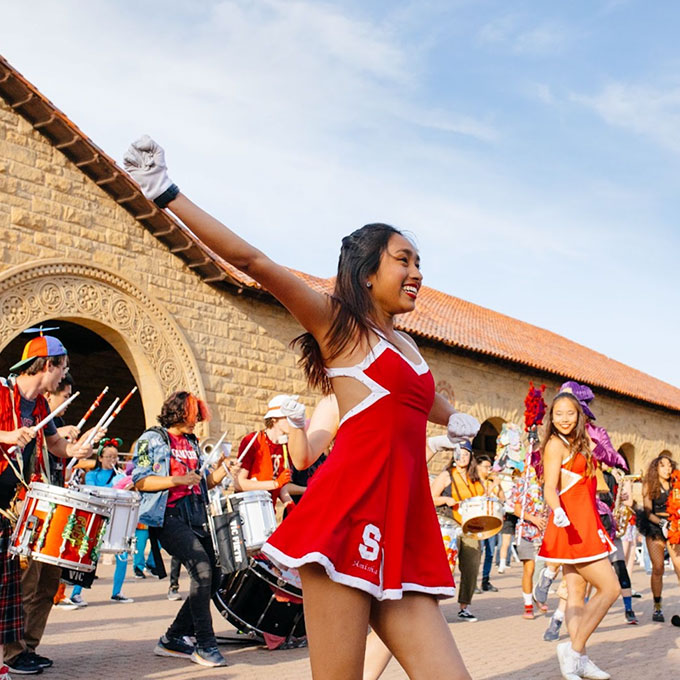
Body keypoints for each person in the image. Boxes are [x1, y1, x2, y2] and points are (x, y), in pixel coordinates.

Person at [124, 136, 480, 680]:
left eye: (419, 263)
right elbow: (253, 260)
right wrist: (166, 193)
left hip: (401, 532)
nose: (417, 273)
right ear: (367, 272)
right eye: (403, 260)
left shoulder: (407, 347)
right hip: (346, 524)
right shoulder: (340, 330)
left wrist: (452, 416)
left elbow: (421, 394)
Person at [0, 335, 94, 676]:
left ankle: (24, 648)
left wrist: (74, 452)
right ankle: (13, 651)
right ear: (49, 365)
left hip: (20, 502)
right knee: (18, 581)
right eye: (63, 368)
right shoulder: (0, 391)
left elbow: (54, 443)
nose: (63, 377)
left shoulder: (39, 405)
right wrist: (7, 435)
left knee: (44, 579)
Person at [132, 390, 232, 668]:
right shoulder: (149, 440)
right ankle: (205, 644)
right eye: (192, 417)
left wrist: (221, 472)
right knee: (201, 569)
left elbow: (201, 483)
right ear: (178, 413)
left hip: (196, 515)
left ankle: (173, 637)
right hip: (167, 516)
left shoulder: (192, 442)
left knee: (217, 574)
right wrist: (176, 480)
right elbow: (140, 481)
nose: (196, 422)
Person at [537, 391, 619, 680]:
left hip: (586, 521)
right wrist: (557, 510)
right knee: (611, 589)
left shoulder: (582, 443)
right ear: (551, 417)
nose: (564, 419)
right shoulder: (554, 445)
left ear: (579, 415)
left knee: (576, 594)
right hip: (572, 526)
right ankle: (573, 650)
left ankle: (579, 659)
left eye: (569, 413)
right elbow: (550, 487)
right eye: (558, 414)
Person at [70, 439, 134, 605]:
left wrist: (125, 483)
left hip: (115, 518)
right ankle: (76, 593)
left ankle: (117, 592)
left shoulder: (119, 474)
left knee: (122, 554)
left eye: (115, 457)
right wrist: (114, 485)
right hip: (98, 519)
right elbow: (93, 491)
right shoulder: (92, 475)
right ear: (100, 458)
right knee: (90, 556)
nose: (113, 460)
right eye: (109, 457)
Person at [430, 440, 484, 622]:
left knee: (471, 566)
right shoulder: (447, 475)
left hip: (471, 527)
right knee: (447, 566)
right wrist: (445, 499)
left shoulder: (475, 478)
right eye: (460, 453)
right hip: (448, 523)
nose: (463, 457)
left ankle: (464, 606)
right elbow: (430, 498)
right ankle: (434, 607)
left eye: (467, 454)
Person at [236, 395, 306, 512]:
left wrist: (291, 506)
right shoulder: (253, 441)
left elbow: (281, 488)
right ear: (274, 419)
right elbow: (240, 484)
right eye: (287, 417)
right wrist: (275, 484)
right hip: (249, 510)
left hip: (268, 509)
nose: (291, 421)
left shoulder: (286, 446)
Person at [637, 454, 680, 623]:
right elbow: (648, 512)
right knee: (658, 568)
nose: (667, 469)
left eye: (669, 465)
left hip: (674, 527)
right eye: (663, 466)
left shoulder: (675, 484)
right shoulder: (649, 485)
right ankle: (657, 605)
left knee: (678, 566)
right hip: (655, 527)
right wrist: (663, 524)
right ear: (656, 468)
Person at [509, 462, 548, 619]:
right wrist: (533, 519)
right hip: (526, 531)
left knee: (546, 568)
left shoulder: (549, 483)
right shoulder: (523, 482)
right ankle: (528, 605)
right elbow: (517, 510)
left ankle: (538, 596)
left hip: (544, 532)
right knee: (529, 568)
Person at [476, 455, 504, 593]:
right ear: (478, 467)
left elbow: (502, 498)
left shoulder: (491, 481)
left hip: (493, 520)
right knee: (477, 552)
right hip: (479, 521)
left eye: (490, 467)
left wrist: (498, 485)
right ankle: (473, 581)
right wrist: (493, 484)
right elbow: (482, 496)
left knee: (491, 553)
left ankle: (485, 580)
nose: (489, 469)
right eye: (486, 467)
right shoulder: (475, 482)